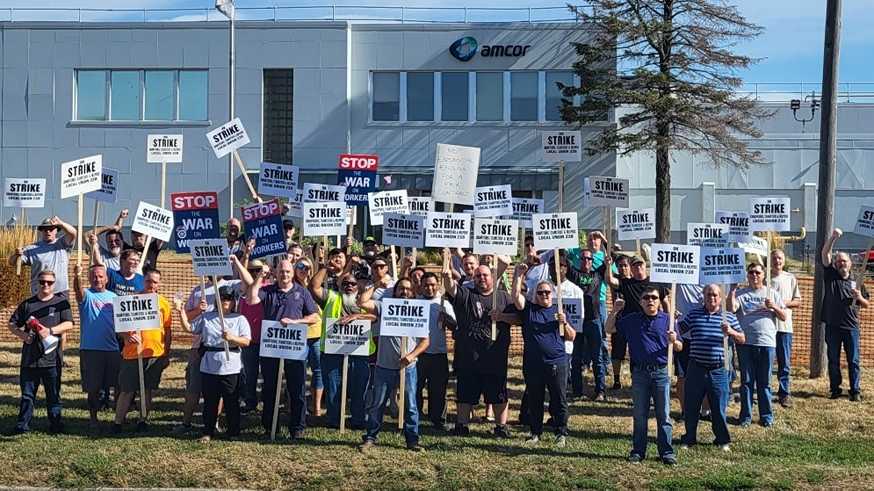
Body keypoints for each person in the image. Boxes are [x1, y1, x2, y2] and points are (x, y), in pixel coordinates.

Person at [442, 256, 517, 438]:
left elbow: (519, 319)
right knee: (465, 393)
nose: (481, 278)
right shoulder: (467, 295)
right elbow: (451, 288)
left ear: (492, 277)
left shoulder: (503, 297)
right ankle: (462, 425)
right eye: (477, 276)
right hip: (469, 356)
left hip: (495, 355)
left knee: (498, 393)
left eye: (484, 275)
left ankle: (500, 426)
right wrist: (446, 272)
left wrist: (502, 317)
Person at [606, 286, 681, 465]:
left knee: (663, 414)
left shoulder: (668, 321)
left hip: (661, 372)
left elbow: (680, 347)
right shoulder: (632, 320)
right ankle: (638, 451)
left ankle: (667, 452)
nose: (650, 301)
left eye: (654, 298)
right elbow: (609, 329)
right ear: (641, 302)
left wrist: (674, 341)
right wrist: (615, 311)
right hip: (639, 373)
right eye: (646, 298)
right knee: (640, 415)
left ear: (658, 301)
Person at [245, 259, 320, 439]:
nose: (284, 275)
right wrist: (260, 276)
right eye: (280, 271)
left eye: (287, 271)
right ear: (275, 273)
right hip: (272, 347)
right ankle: (270, 426)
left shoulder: (302, 292)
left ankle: (297, 427)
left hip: (294, 348)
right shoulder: (268, 290)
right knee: (270, 388)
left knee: (297, 389)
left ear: (292, 273)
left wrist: (295, 322)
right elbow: (251, 298)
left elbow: (314, 316)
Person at [358, 279, 430, 452]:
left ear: (413, 292)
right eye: (400, 289)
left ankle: (412, 440)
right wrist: (376, 285)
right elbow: (362, 302)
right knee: (378, 404)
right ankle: (370, 437)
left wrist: (411, 356)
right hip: (384, 366)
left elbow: (425, 341)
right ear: (394, 291)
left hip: (408, 367)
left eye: (408, 289)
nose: (404, 292)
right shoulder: (385, 306)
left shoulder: (419, 310)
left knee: (410, 405)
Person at [177, 285, 252, 443]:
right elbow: (189, 328)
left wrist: (232, 338)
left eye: (229, 298)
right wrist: (180, 312)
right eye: (223, 298)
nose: (225, 301)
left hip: (231, 365)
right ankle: (208, 431)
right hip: (209, 364)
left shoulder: (240, 319)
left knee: (231, 401)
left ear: (233, 301)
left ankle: (233, 431)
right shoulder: (207, 317)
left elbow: (246, 341)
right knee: (210, 401)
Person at [512, 266, 575, 446]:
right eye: (540, 292)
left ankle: (561, 431)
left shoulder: (559, 311)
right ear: (535, 294)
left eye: (547, 292)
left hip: (557, 363)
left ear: (552, 294)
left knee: (558, 399)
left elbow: (571, 337)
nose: (544, 295)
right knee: (535, 399)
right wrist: (518, 275)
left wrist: (564, 323)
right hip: (533, 364)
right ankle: (535, 433)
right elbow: (516, 297)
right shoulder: (529, 310)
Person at [677, 284, 744, 451]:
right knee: (692, 406)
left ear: (720, 298)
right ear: (703, 297)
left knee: (719, 407)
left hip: (718, 369)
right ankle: (689, 438)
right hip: (696, 367)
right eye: (708, 295)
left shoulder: (728, 317)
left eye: (715, 295)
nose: (711, 298)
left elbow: (742, 338)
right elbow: (679, 330)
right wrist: (673, 323)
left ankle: (722, 440)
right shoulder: (693, 314)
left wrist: (731, 332)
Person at [7, 270, 73, 434]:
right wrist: (22, 335)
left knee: (53, 395)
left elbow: (69, 324)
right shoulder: (28, 304)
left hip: (52, 359)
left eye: (49, 282)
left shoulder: (61, 303)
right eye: (42, 282)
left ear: (54, 284)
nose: (45, 285)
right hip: (30, 359)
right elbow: (12, 324)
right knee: (27, 395)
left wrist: (50, 331)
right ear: (38, 282)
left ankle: (55, 424)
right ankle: (23, 425)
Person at [311, 269, 375, 429]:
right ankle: (334, 420)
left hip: (359, 352)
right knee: (333, 387)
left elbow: (375, 316)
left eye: (353, 284)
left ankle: (358, 421)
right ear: (340, 285)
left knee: (359, 389)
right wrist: (326, 267)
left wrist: (357, 316)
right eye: (345, 283)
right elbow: (314, 286)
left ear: (358, 287)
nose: (349, 286)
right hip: (333, 352)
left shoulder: (364, 301)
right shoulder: (331, 297)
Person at [112, 269, 173, 432]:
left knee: (147, 390)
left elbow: (167, 330)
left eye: (154, 282)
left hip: (155, 353)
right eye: (148, 281)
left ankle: (143, 419)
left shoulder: (163, 303)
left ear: (159, 284)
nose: (151, 285)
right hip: (132, 353)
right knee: (127, 390)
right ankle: (118, 422)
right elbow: (120, 328)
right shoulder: (130, 301)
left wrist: (166, 353)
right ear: (143, 281)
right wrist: (126, 336)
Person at [727, 262, 786, 427]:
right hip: (745, 343)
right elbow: (731, 308)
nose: (754, 275)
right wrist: (732, 289)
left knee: (764, 382)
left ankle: (766, 416)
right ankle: (745, 416)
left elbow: (784, 317)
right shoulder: (740, 293)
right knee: (746, 381)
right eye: (751, 272)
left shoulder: (772, 294)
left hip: (767, 343)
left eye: (758, 273)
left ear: (764, 275)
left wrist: (773, 306)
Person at [605, 254, 671, 390]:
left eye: (640, 264)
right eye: (634, 265)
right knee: (633, 356)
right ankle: (636, 384)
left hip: (652, 325)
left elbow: (665, 301)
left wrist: (669, 320)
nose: (638, 267)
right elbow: (610, 280)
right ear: (631, 269)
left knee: (650, 353)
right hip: (631, 324)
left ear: (645, 266)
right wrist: (608, 265)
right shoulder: (626, 283)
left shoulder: (655, 282)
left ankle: (655, 384)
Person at [821, 228, 869, 401]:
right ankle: (835, 389)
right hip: (833, 326)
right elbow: (825, 254)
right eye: (839, 261)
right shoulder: (831, 275)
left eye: (844, 261)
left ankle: (855, 390)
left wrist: (860, 297)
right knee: (833, 360)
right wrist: (833, 237)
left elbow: (867, 304)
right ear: (836, 264)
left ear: (850, 263)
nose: (841, 264)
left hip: (851, 327)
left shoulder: (857, 280)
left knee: (854, 361)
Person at [72, 263, 119, 431]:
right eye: (94, 276)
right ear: (89, 278)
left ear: (106, 278)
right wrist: (77, 276)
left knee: (118, 385)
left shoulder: (115, 297)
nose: (97, 279)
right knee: (93, 387)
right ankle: (93, 418)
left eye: (100, 276)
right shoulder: (87, 297)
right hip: (91, 349)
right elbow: (78, 290)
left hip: (112, 349)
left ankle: (118, 417)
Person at [416, 272, 457, 431]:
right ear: (421, 286)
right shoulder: (415, 302)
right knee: (415, 387)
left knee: (438, 389)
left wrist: (446, 318)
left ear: (438, 285)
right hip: (418, 353)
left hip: (438, 353)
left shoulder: (444, 304)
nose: (429, 288)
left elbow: (455, 326)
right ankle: (415, 416)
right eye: (426, 285)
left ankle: (438, 419)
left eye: (432, 284)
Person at [570, 248, 607, 400]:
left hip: (594, 319)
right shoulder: (574, 274)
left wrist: (603, 240)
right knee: (576, 358)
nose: (586, 261)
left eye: (589, 259)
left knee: (597, 357)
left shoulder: (597, 274)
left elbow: (609, 256)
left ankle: (600, 391)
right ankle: (577, 391)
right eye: (584, 258)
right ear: (580, 260)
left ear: (593, 261)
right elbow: (562, 259)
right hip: (577, 321)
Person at [9, 216, 76, 296]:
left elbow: (73, 233)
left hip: (60, 293)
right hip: (40, 294)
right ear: (41, 231)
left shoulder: (63, 244)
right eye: (45, 229)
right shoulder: (31, 249)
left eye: (51, 229)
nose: (48, 231)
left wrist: (61, 223)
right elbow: (12, 262)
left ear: (56, 230)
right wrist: (16, 255)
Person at [769, 249, 801, 408]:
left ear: (784, 260)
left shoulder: (790, 278)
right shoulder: (764, 278)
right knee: (766, 362)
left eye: (780, 258)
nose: (777, 261)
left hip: (784, 327)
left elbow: (797, 301)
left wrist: (780, 303)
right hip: (767, 328)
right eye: (774, 258)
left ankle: (784, 393)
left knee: (784, 363)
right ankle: (765, 391)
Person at [293, 257, 324, 417]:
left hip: (316, 334)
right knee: (299, 371)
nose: (303, 269)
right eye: (300, 266)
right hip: (298, 335)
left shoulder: (314, 287)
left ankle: (316, 407)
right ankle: (300, 406)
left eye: (307, 267)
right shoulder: (291, 286)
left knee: (318, 371)